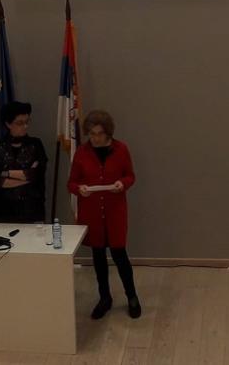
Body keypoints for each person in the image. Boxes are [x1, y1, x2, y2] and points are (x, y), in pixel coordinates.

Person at [67, 110, 141, 320]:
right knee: (98, 258)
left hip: (115, 212)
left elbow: (130, 176)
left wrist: (122, 184)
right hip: (92, 213)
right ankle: (104, 298)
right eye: (92, 134)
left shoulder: (121, 149)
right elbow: (71, 183)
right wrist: (79, 189)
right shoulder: (82, 153)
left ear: (108, 132)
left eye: (99, 133)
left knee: (120, 256)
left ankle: (132, 297)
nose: (96, 138)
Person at [0, 101, 47, 223]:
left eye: (27, 122)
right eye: (20, 123)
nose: (25, 126)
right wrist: (26, 175)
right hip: (3, 210)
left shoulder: (36, 144)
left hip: (32, 209)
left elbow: (36, 174)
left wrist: (5, 173)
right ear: (8, 124)